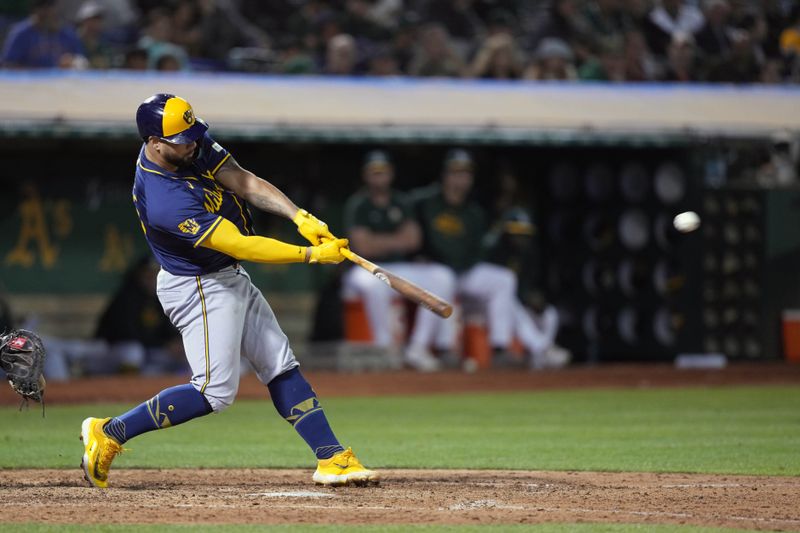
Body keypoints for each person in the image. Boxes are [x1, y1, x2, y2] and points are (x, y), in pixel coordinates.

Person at [79, 93, 378, 489]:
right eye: (181, 139)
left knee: (279, 363)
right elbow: (240, 244)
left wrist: (300, 216)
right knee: (214, 392)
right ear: (154, 143)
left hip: (225, 276)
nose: (192, 143)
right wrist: (311, 255)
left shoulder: (186, 147)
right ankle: (111, 431)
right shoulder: (165, 199)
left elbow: (243, 179)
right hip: (197, 286)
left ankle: (332, 457)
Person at [412, 149, 565, 369]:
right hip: (434, 272)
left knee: (502, 279)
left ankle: (500, 348)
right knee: (441, 277)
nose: (460, 179)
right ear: (445, 175)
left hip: (463, 272)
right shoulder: (425, 202)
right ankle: (436, 348)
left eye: (465, 174)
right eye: (455, 173)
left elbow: (476, 252)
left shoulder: (474, 212)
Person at [342, 150, 456, 371]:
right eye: (374, 173)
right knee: (372, 283)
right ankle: (385, 349)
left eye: (383, 172)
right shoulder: (358, 204)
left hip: (401, 266)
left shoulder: (401, 201)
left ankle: (418, 348)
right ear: (366, 175)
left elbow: (413, 240)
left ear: (391, 174)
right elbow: (363, 247)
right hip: (364, 266)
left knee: (443, 276)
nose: (379, 177)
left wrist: (379, 241)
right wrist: (397, 239)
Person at [1, 0, 85, 68]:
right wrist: (35, 71)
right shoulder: (20, 33)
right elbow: (7, 64)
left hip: (62, 84)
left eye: (50, 5)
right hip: (28, 84)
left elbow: (82, 61)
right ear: (35, 9)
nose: (47, 11)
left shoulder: (67, 33)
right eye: (42, 6)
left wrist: (73, 62)